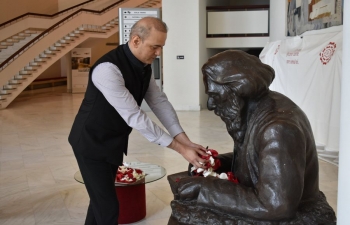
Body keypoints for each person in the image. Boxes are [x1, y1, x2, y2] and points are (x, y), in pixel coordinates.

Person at [167, 50, 336, 224]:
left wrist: (204, 188)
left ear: (239, 92)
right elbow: (258, 159)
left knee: (185, 214)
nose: (210, 105)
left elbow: (276, 205)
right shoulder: (255, 109)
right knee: (184, 202)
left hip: (284, 213)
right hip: (267, 200)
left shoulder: (277, 129)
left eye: (215, 95)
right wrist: (216, 162)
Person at [68, 17, 207, 225]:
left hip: (112, 142)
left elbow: (159, 102)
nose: (159, 53)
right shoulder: (107, 69)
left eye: (161, 47)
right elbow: (135, 116)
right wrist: (180, 149)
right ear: (135, 41)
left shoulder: (144, 66)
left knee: (100, 203)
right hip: (90, 143)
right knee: (108, 208)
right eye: (155, 47)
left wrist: (185, 141)